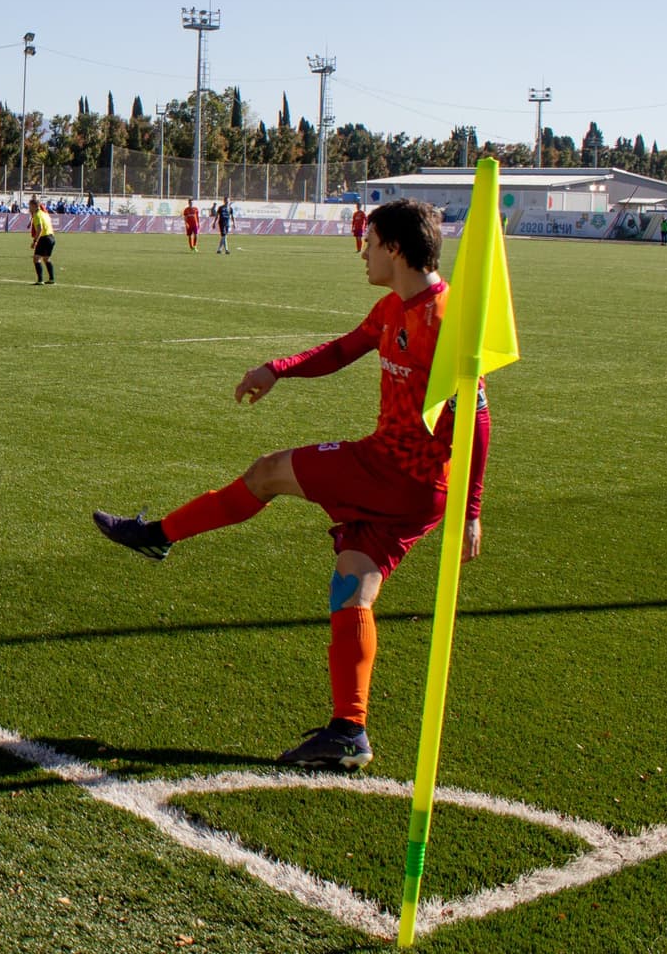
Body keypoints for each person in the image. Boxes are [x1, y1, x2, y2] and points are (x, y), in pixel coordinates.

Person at [90, 199, 491, 771]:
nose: (365, 252)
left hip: (396, 473)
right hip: (415, 492)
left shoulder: (445, 319)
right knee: (352, 585)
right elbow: (342, 351)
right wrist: (279, 367)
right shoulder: (392, 308)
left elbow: (477, 417)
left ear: (396, 249)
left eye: (371, 242)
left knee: (268, 471)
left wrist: (472, 509)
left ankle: (159, 534)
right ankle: (349, 731)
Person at [28, 196, 55, 284]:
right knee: (46, 258)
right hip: (51, 237)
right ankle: (51, 279)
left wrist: (35, 241)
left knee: (36, 258)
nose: (29, 208)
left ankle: (40, 280)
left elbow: (40, 229)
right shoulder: (44, 213)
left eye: (30, 206)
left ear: (34, 206)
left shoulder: (37, 215)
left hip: (44, 238)